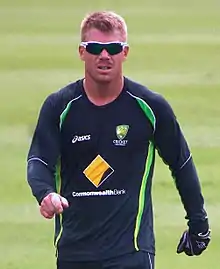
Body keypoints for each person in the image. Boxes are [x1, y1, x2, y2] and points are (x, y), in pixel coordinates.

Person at [27, 10, 211, 269]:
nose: (104, 55)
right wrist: (45, 194)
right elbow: (38, 159)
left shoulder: (150, 108)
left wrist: (198, 225)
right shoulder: (59, 107)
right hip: (74, 252)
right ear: (82, 52)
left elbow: (181, 163)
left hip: (131, 253)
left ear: (125, 52)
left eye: (113, 48)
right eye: (95, 48)